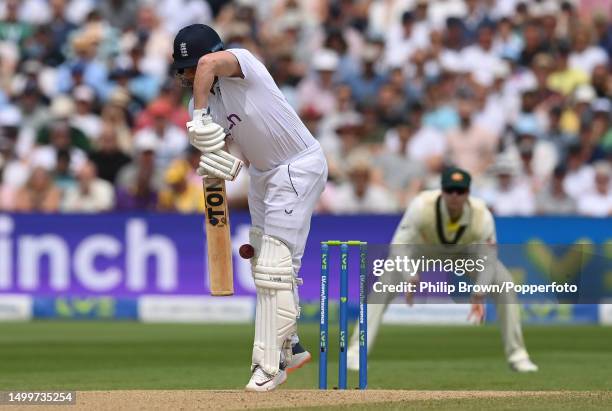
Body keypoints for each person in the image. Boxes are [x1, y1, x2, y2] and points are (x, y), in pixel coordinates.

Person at [172, 24, 328, 391]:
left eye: (191, 66)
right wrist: (214, 159)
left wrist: (198, 116)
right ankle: (291, 347)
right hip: (263, 174)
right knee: (267, 262)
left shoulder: (242, 62)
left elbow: (210, 62)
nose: (188, 74)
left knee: (274, 263)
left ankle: (269, 365)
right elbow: (232, 148)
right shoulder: (213, 99)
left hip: (296, 165)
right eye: (183, 69)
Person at [346, 167, 539, 373]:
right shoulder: (422, 205)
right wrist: (410, 274)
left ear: (468, 193)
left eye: (460, 191)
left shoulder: (482, 214)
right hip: (423, 251)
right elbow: (399, 245)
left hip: (464, 254)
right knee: (381, 288)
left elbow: (489, 259)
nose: (455, 196)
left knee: (505, 285)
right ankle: (356, 352)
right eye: (450, 190)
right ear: (442, 191)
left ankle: (518, 356)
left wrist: (479, 291)